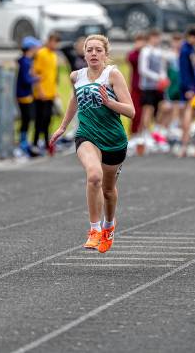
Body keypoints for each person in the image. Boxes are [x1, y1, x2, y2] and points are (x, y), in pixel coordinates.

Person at [50, 35, 134, 253]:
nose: (94, 54)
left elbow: (131, 111)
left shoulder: (112, 75)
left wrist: (110, 102)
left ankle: (109, 225)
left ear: (106, 54)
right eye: (90, 50)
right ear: (84, 54)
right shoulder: (76, 76)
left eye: (98, 50)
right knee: (93, 175)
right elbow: (75, 99)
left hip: (114, 140)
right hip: (87, 135)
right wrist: (63, 126)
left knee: (108, 190)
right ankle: (94, 229)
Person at [137, 29, 167, 149]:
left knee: (162, 107)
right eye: (154, 37)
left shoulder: (160, 52)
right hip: (148, 86)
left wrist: (163, 78)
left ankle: (156, 132)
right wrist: (157, 77)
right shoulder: (145, 51)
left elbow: (162, 68)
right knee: (147, 110)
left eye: (157, 37)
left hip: (158, 86)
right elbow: (143, 69)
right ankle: (145, 134)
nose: (156, 40)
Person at [33, 33, 60, 151]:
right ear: (49, 41)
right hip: (41, 94)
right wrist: (39, 90)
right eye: (54, 42)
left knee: (48, 119)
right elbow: (36, 73)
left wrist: (55, 91)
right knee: (40, 119)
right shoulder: (41, 53)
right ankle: (35, 142)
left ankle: (46, 142)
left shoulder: (54, 55)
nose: (55, 45)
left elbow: (53, 76)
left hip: (50, 93)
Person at [16, 36, 41, 157]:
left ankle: (24, 141)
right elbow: (25, 80)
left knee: (27, 119)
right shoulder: (25, 62)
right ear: (30, 48)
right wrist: (36, 78)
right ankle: (23, 142)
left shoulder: (26, 61)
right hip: (24, 95)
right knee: (26, 119)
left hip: (26, 94)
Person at [126, 33, 147, 138]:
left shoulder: (147, 53)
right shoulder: (134, 54)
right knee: (136, 111)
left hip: (147, 87)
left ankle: (143, 132)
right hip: (136, 87)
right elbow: (130, 59)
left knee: (146, 112)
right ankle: (134, 133)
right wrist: (137, 49)